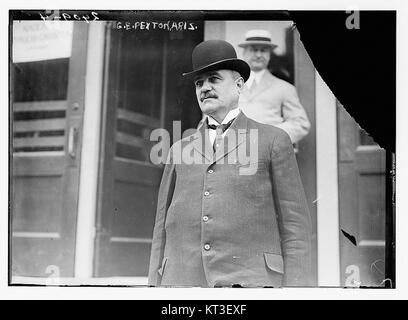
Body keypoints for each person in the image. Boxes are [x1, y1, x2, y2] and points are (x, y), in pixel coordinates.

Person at [148, 39, 312, 287]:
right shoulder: (178, 149)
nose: (204, 88)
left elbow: (295, 228)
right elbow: (161, 228)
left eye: (214, 79)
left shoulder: (274, 140)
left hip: (251, 284)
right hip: (183, 284)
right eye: (199, 83)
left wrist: (296, 291)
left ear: (238, 85)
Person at [238, 29, 311, 144]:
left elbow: (300, 124)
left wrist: (271, 137)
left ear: (269, 54)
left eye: (263, 50)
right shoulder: (231, 85)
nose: (258, 55)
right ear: (244, 53)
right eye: (253, 50)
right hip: (235, 155)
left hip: (269, 156)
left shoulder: (285, 88)